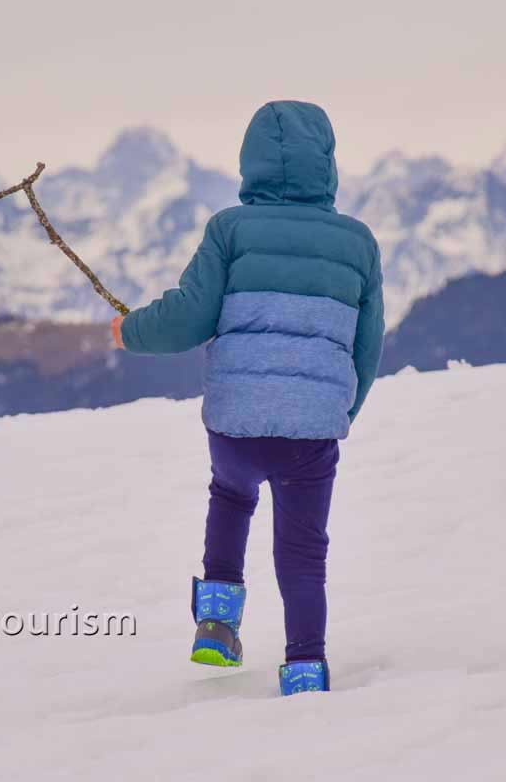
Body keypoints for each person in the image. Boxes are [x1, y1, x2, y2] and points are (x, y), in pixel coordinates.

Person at [111, 100, 384, 696]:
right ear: (328, 164)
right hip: (312, 434)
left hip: (235, 424)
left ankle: (216, 624)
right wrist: (338, 413)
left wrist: (131, 330)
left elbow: (188, 317)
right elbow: (367, 349)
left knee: (230, 496)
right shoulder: (358, 243)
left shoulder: (230, 228)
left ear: (250, 161)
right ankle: (306, 667)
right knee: (304, 552)